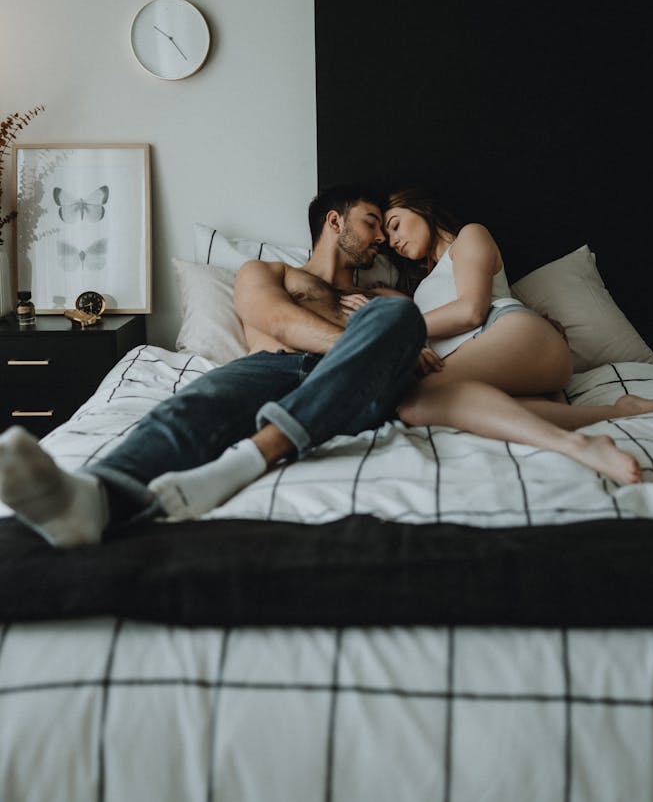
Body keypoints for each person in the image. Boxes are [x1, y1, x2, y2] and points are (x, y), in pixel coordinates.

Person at [0, 187, 427, 547]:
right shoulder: (268, 271)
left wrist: (385, 331)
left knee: (403, 317)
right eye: (372, 222)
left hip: (353, 388)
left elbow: (414, 345)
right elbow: (275, 320)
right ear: (335, 222)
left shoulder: (383, 299)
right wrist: (359, 344)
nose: (382, 239)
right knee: (193, 406)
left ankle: (247, 460)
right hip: (273, 368)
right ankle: (94, 498)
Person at [336, 188, 653, 485]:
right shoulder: (420, 285)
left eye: (396, 223)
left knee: (414, 401)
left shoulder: (470, 237)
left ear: (422, 209)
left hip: (510, 331)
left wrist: (395, 327)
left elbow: (471, 310)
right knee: (419, 407)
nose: (393, 239)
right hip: (499, 359)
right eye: (387, 234)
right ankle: (620, 411)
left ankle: (583, 441)